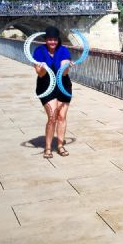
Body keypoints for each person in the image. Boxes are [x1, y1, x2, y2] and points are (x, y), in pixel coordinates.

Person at [33, 26, 73, 159]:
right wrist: (43, 67)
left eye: (54, 40)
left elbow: (63, 72)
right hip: (46, 86)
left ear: (58, 40)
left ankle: (60, 145)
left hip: (63, 85)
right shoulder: (39, 51)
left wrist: (66, 67)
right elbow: (40, 74)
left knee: (61, 116)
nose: (52, 42)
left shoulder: (63, 50)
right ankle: (48, 147)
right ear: (46, 40)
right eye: (50, 39)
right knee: (52, 117)